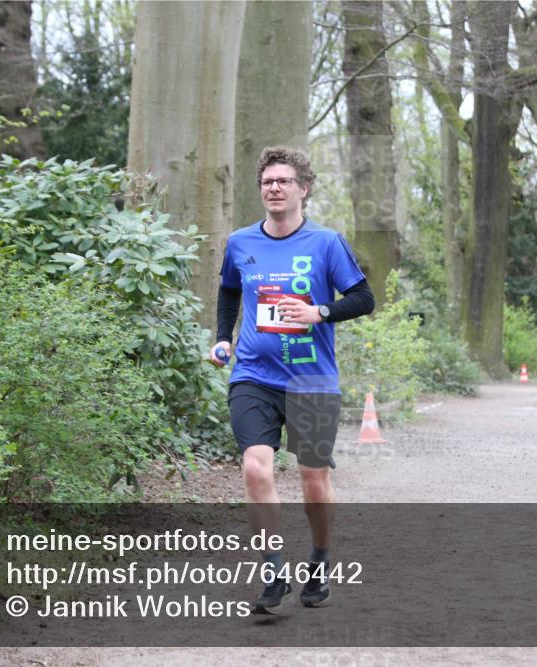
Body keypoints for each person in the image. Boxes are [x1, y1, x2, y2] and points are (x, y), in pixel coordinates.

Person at [209, 146, 374, 614]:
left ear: (303, 188)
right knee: (255, 467)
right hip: (253, 376)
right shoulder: (242, 242)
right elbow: (227, 292)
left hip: (312, 381)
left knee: (312, 480)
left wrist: (318, 311)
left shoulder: (326, 242)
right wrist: (223, 338)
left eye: (283, 181)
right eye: (267, 182)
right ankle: (273, 570)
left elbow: (364, 298)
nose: (274, 188)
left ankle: (320, 559)